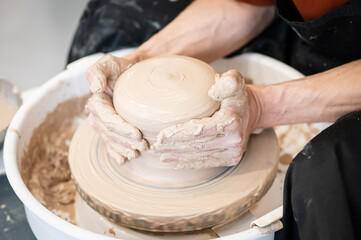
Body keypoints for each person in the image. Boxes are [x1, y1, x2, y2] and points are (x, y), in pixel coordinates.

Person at [67, 0, 361, 239]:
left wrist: (261, 107)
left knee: (325, 174)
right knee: (115, 20)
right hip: (301, 31)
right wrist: (139, 65)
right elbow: (248, 5)